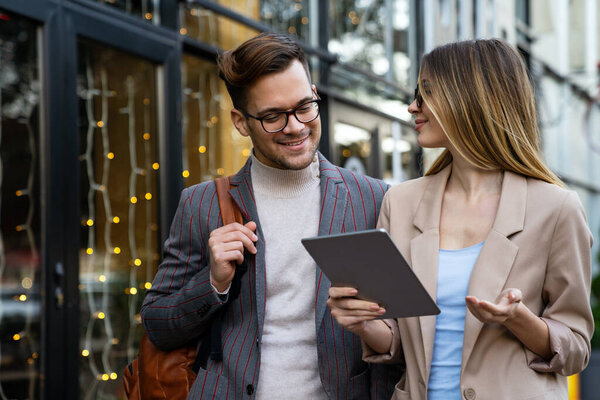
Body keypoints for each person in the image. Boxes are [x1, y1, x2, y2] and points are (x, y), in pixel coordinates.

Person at [327, 38, 594, 400]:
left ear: (466, 98)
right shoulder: (401, 202)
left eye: (424, 94)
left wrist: (517, 318)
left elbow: (575, 347)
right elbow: (401, 342)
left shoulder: (556, 208)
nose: (411, 107)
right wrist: (362, 324)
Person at [141, 32, 401, 399]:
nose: (295, 126)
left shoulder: (374, 199)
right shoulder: (201, 204)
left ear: (314, 93)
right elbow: (157, 324)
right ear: (241, 121)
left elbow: (404, 331)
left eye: (303, 106)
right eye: (273, 116)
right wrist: (213, 282)